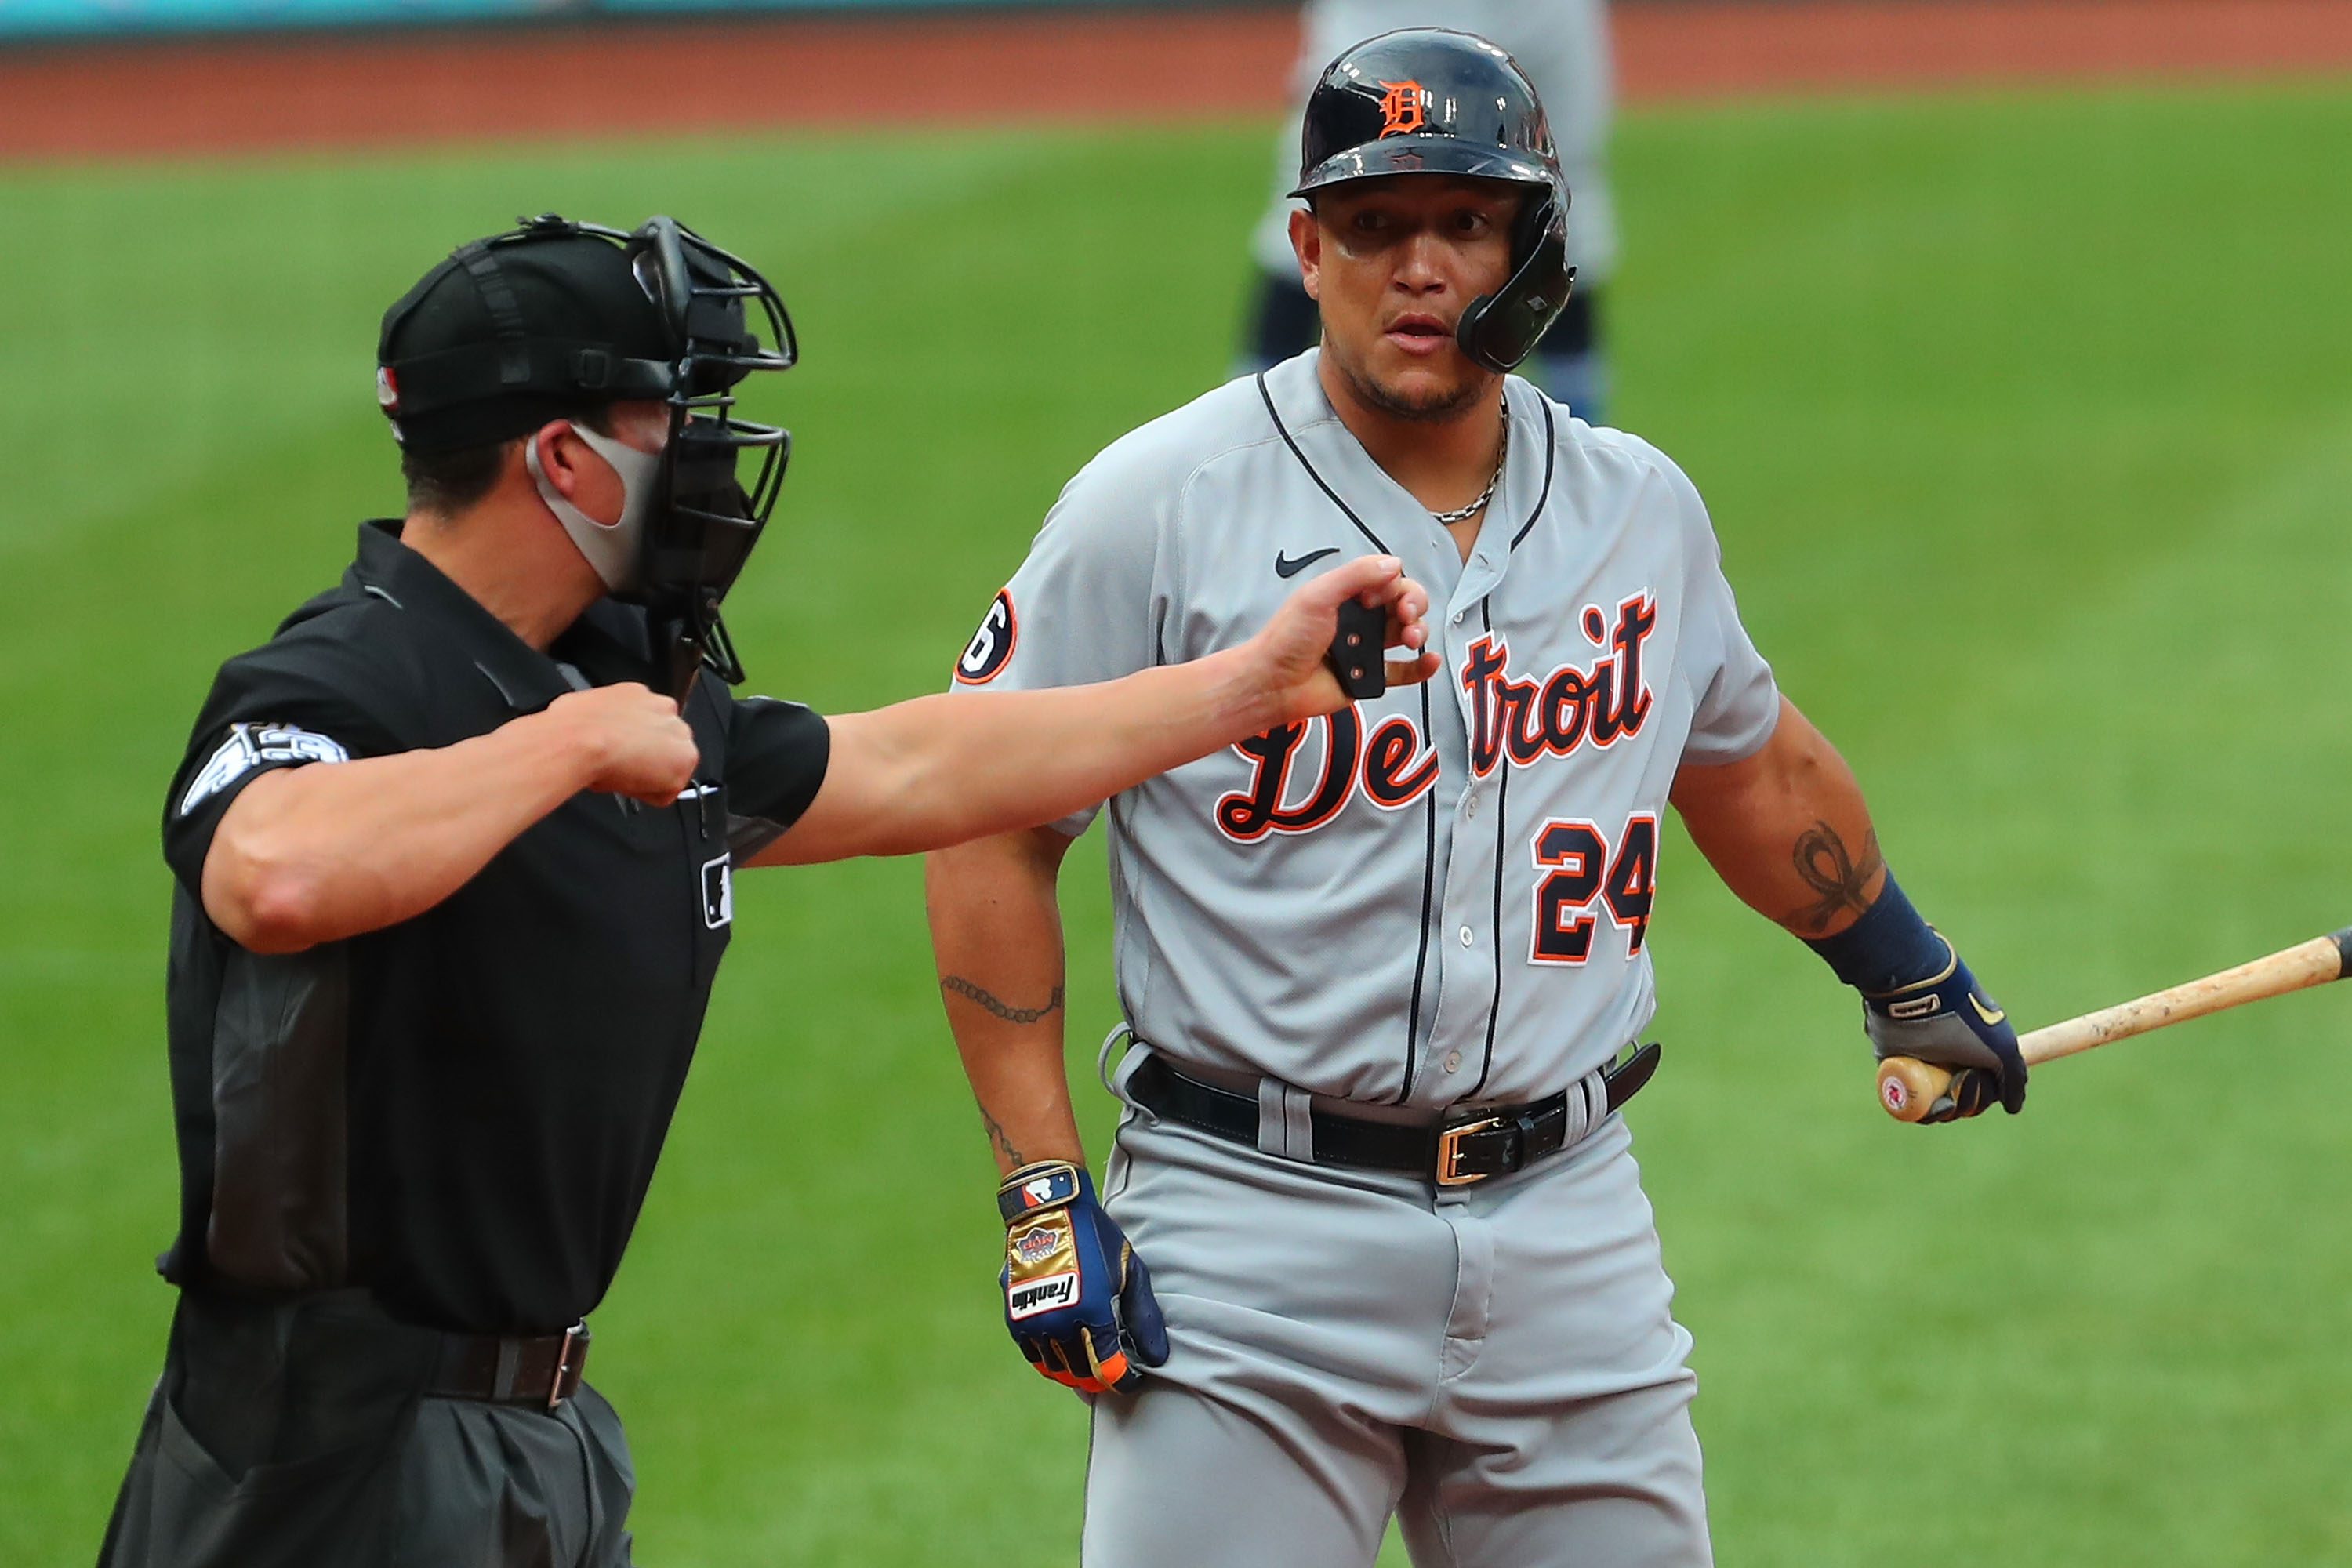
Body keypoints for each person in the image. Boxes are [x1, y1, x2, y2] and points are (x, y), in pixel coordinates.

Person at [95, 212, 1437, 1568]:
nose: (705, 454)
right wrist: (562, 751)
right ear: (562, 458)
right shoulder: (349, 677)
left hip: (537, 1433)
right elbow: (269, 871)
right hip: (321, 1451)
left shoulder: (611, 675)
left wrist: (1245, 690)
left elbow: (910, 767)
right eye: (670, 413)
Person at [927, 31, 2025, 1568]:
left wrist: (1907, 968)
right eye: (1374, 227)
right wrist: (1043, 1192)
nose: (1419, 266)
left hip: (1570, 1226)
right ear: (1306, 247)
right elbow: (989, 819)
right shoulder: (1160, 509)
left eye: (1464, 221)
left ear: (1534, 246)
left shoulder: (1639, 508)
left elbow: (1752, 760)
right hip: (1251, 1237)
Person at [1237, 0, 1618, 423]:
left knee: (1564, 202)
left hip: (1539, 14)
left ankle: (1578, 451)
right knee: (1327, 191)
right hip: (1385, 14)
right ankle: (1245, 441)